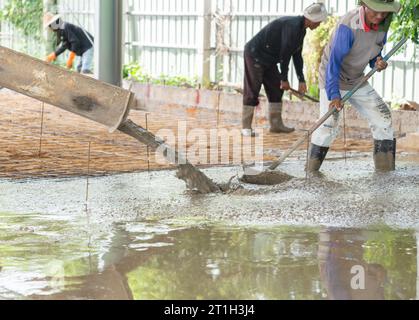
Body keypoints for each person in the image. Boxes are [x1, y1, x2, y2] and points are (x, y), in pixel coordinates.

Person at [307, 0, 401, 172]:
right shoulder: (348, 26)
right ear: (364, 5)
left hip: (356, 79)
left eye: (384, 12)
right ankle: (311, 173)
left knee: (383, 117)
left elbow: (373, 52)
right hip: (333, 78)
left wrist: (377, 62)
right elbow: (333, 64)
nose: (380, 16)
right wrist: (334, 95)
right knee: (328, 124)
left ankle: (385, 173)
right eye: (376, 11)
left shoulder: (383, 24)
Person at [241, 3, 328, 137]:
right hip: (255, 54)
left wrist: (301, 79)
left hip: (269, 58)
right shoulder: (292, 26)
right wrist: (284, 79)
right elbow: (285, 54)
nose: (319, 25)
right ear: (312, 19)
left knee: (276, 89)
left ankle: (276, 125)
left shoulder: (301, 30)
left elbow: (297, 55)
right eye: (319, 22)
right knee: (253, 89)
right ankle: (246, 127)